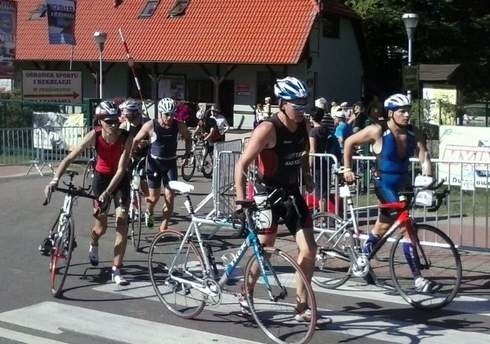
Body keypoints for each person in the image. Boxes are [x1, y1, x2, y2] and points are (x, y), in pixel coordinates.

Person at [234, 76, 316, 321]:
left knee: (310, 249)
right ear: (282, 104)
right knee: (265, 248)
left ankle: (302, 306)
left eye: (305, 105)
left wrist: (308, 174)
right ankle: (245, 292)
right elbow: (242, 164)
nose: (302, 111)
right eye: (296, 105)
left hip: (290, 192)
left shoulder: (304, 124)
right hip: (266, 194)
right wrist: (240, 197)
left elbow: (303, 153)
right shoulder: (268, 129)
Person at [343, 93, 439, 292]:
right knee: (406, 226)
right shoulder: (377, 130)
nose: (407, 115)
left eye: (408, 111)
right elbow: (349, 142)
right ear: (390, 113)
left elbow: (424, 154)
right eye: (402, 111)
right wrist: (347, 168)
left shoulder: (414, 132)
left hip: (404, 184)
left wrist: (427, 175)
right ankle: (418, 279)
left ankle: (362, 259)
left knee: (382, 227)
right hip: (383, 184)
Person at [43, 100, 132, 286]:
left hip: (120, 179)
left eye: (116, 120)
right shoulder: (94, 135)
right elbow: (69, 157)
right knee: (101, 227)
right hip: (101, 178)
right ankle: (94, 242)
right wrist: (54, 180)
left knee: (122, 222)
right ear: (101, 122)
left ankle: (117, 269)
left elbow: (122, 169)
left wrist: (109, 193)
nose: (115, 125)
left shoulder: (126, 137)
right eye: (110, 121)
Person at [132, 97, 192, 231]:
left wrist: (188, 154)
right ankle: (150, 211)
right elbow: (135, 140)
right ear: (159, 113)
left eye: (172, 114)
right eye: (167, 114)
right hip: (154, 163)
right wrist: (131, 154)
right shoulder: (150, 125)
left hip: (170, 164)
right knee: (154, 198)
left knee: (170, 198)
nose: (170, 118)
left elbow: (188, 137)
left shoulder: (179, 125)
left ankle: (163, 227)